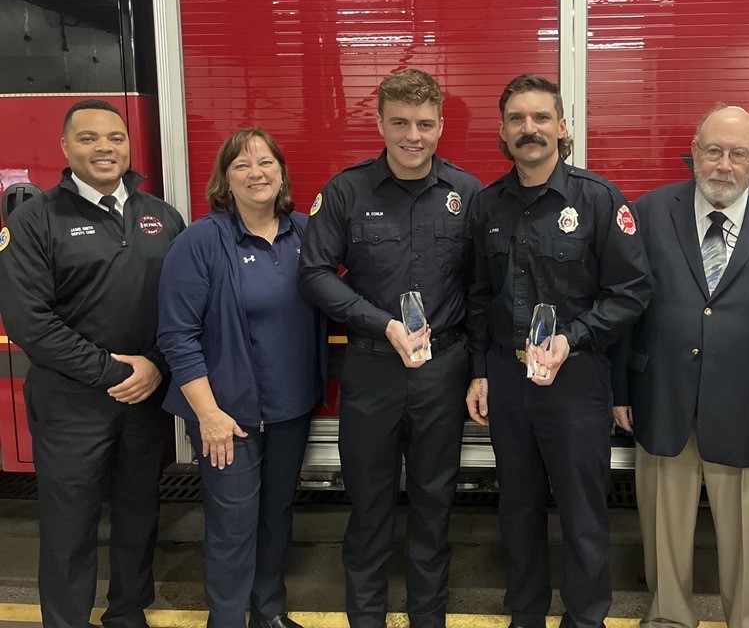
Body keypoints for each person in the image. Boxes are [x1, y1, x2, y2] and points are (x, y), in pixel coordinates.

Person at [465, 74, 651, 628]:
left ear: (562, 126)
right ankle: (524, 614)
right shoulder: (486, 205)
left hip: (576, 378)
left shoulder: (597, 199)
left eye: (541, 118)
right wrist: (480, 372)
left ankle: (585, 617)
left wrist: (572, 337)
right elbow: (478, 296)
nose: (530, 129)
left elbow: (632, 291)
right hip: (507, 373)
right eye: (517, 119)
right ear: (502, 130)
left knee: (582, 510)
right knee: (516, 508)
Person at [299, 68, 481, 628]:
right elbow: (313, 273)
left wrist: (477, 370)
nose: (413, 135)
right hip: (373, 369)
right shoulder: (345, 191)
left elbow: (482, 290)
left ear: (441, 125)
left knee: (434, 506)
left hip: (442, 373)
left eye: (425, 124)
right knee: (369, 508)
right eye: (399, 122)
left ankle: (429, 618)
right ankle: (367, 618)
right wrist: (381, 324)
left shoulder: (466, 193)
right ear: (378, 122)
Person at [610, 105, 749, 628]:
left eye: (738, 154)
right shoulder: (647, 212)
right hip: (661, 396)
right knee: (663, 528)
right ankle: (669, 615)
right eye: (712, 150)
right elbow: (625, 309)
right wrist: (619, 389)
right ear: (693, 152)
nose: (723, 165)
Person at [0, 99, 184, 628]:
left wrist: (153, 364)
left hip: (145, 397)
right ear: (65, 147)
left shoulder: (160, 216)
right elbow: (29, 323)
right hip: (70, 401)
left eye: (115, 137)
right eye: (88, 138)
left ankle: (127, 614)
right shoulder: (35, 220)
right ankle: (66, 621)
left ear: (128, 145)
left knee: (138, 515)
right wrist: (114, 372)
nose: (104, 148)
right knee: (69, 524)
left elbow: (182, 307)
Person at [158, 128, 326, 628]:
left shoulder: (305, 232)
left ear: (281, 172)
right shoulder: (201, 241)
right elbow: (177, 336)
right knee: (232, 525)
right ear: (225, 180)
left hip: (291, 407)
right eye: (242, 166)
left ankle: (269, 611)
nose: (257, 173)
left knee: (277, 515)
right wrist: (208, 416)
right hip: (225, 414)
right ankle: (227, 620)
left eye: (266, 163)